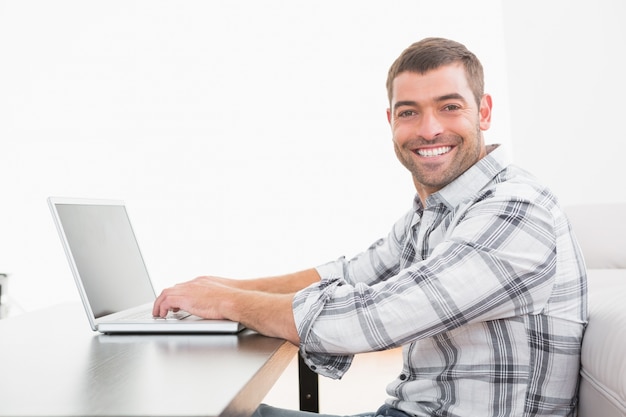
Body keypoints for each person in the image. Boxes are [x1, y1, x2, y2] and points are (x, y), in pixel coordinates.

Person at [153, 37, 588, 417]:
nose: (429, 128)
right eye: (409, 112)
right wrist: (219, 288)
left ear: (484, 111)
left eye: (449, 107)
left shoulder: (513, 209)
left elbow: (370, 318)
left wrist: (229, 301)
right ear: (391, 122)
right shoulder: (440, 208)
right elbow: (350, 273)